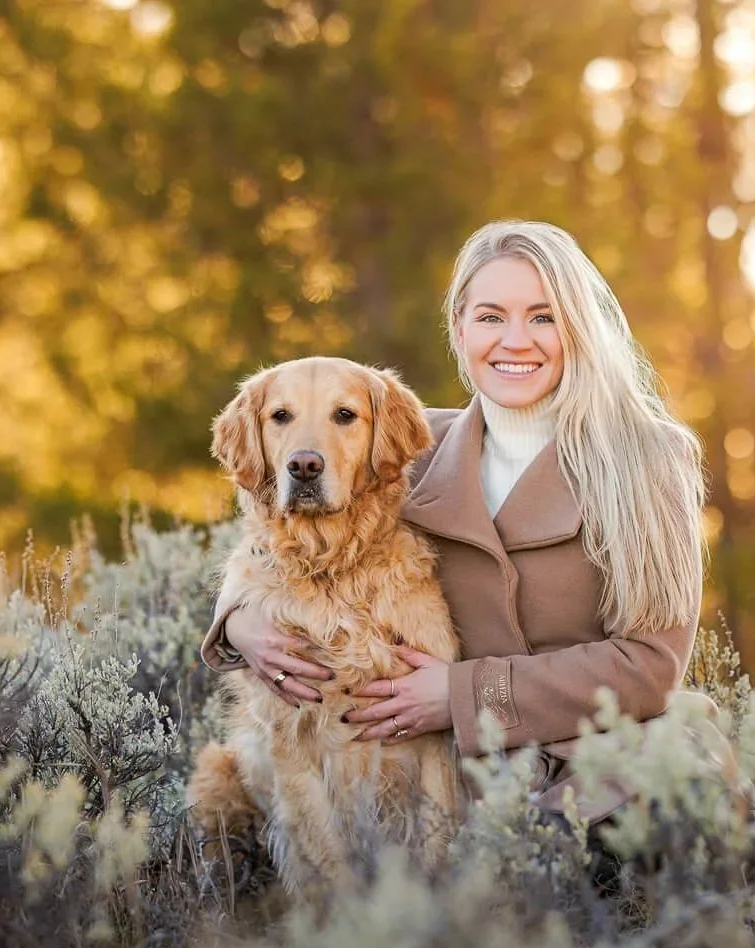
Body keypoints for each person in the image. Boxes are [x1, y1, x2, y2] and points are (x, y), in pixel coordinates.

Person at [200, 218, 706, 838]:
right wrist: (240, 619)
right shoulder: (403, 444)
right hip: (459, 784)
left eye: (543, 317)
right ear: (460, 329)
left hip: (605, 772)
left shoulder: (648, 460)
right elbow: (280, 542)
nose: (515, 340)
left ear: (579, 326)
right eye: (491, 317)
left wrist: (462, 695)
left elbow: (650, 666)